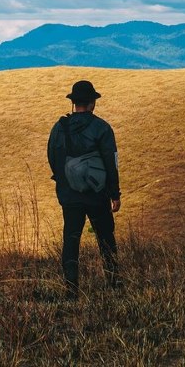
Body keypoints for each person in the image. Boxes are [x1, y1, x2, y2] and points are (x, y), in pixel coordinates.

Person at [47, 80, 121, 298]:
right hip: (96, 194)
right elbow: (111, 163)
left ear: (73, 102)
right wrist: (114, 193)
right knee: (106, 237)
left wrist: (64, 182)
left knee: (71, 238)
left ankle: (71, 290)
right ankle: (114, 282)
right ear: (92, 103)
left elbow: (52, 157)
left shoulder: (59, 127)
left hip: (69, 194)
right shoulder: (102, 128)